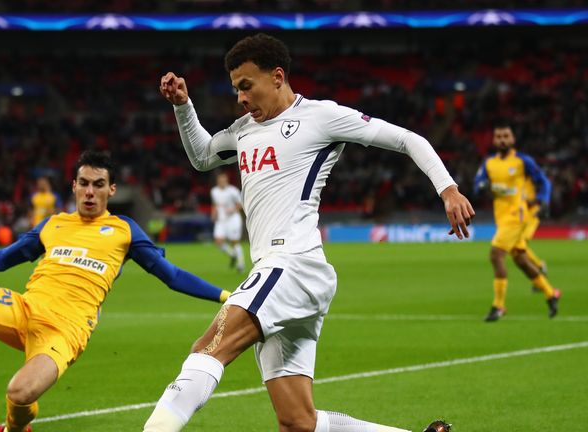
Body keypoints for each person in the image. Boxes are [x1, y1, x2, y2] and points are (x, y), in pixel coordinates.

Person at [147, 33, 473, 432]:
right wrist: (183, 106)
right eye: (235, 89)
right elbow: (201, 157)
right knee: (298, 422)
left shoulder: (321, 117)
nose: (240, 99)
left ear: (278, 77)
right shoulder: (245, 129)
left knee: (207, 348)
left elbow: (407, 139)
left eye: (246, 86)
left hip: (293, 264)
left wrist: (448, 188)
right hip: (280, 273)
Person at [0, 151, 231, 432]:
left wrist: (225, 297)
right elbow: (2, 258)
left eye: (99, 185)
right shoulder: (53, 224)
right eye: (84, 183)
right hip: (24, 308)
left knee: (18, 393)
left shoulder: (125, 230)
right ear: (74, 186)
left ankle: (14, 431)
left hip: (63, 333)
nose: (90, 192)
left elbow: (171, 275)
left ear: (112, 189)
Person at [473, 124, 560, 322]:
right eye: (499, 136)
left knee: (496, 255)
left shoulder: (523, 161)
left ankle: (498, 306)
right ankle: (550, 293)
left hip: (516, 216)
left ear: (513, 139)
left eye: (506, 136)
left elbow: (544, 181)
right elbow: (476, 186)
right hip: (501, 217)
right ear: (494, 140)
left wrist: (544, 200)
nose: (502, 140)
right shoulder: (488, 164)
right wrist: (482, 186)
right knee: (520, 258)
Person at [210, 171, 245, 272]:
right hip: (221, 220)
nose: (222, 181)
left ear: (227, 180)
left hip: (233, 219)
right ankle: (232, 254)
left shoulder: (233, 191)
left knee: (234, 242)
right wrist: (213, 213)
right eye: (220, 180)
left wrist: (232, 210)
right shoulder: (214, 191)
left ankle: (241, 264)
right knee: (218, 241)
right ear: (218, 181)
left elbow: (240, 204)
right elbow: (215, 204)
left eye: (224, 180)